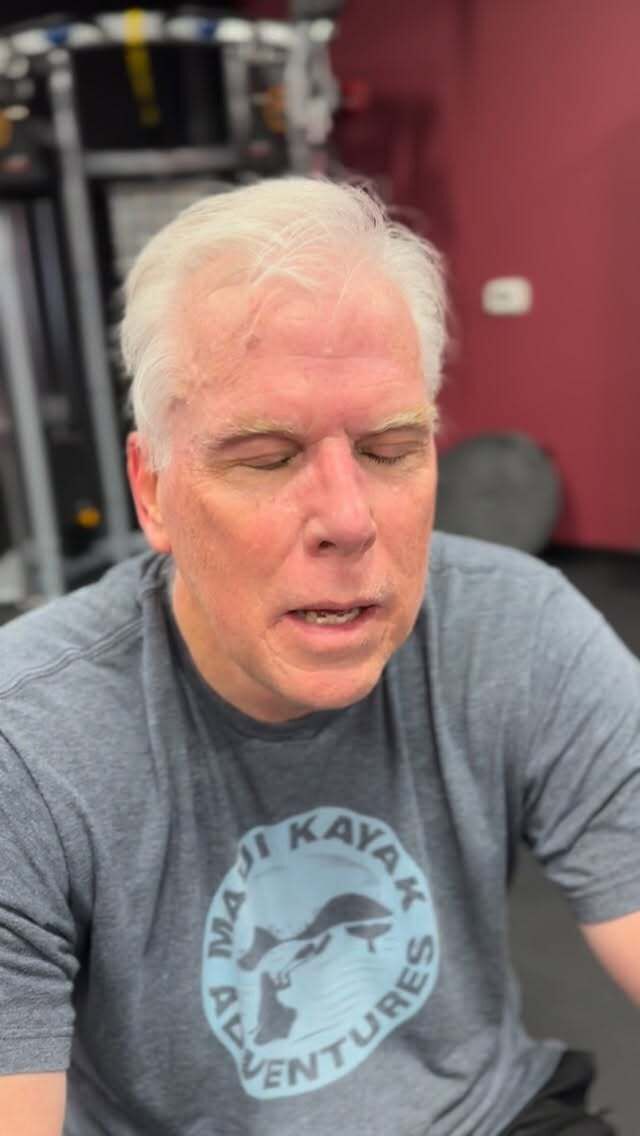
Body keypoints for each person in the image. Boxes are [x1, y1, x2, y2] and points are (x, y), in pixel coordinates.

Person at [0, 177, 638, 1136]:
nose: (349, 519)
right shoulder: (28, 746)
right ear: (154, 490)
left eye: (389, 450)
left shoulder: (518, 630)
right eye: (266, 457)